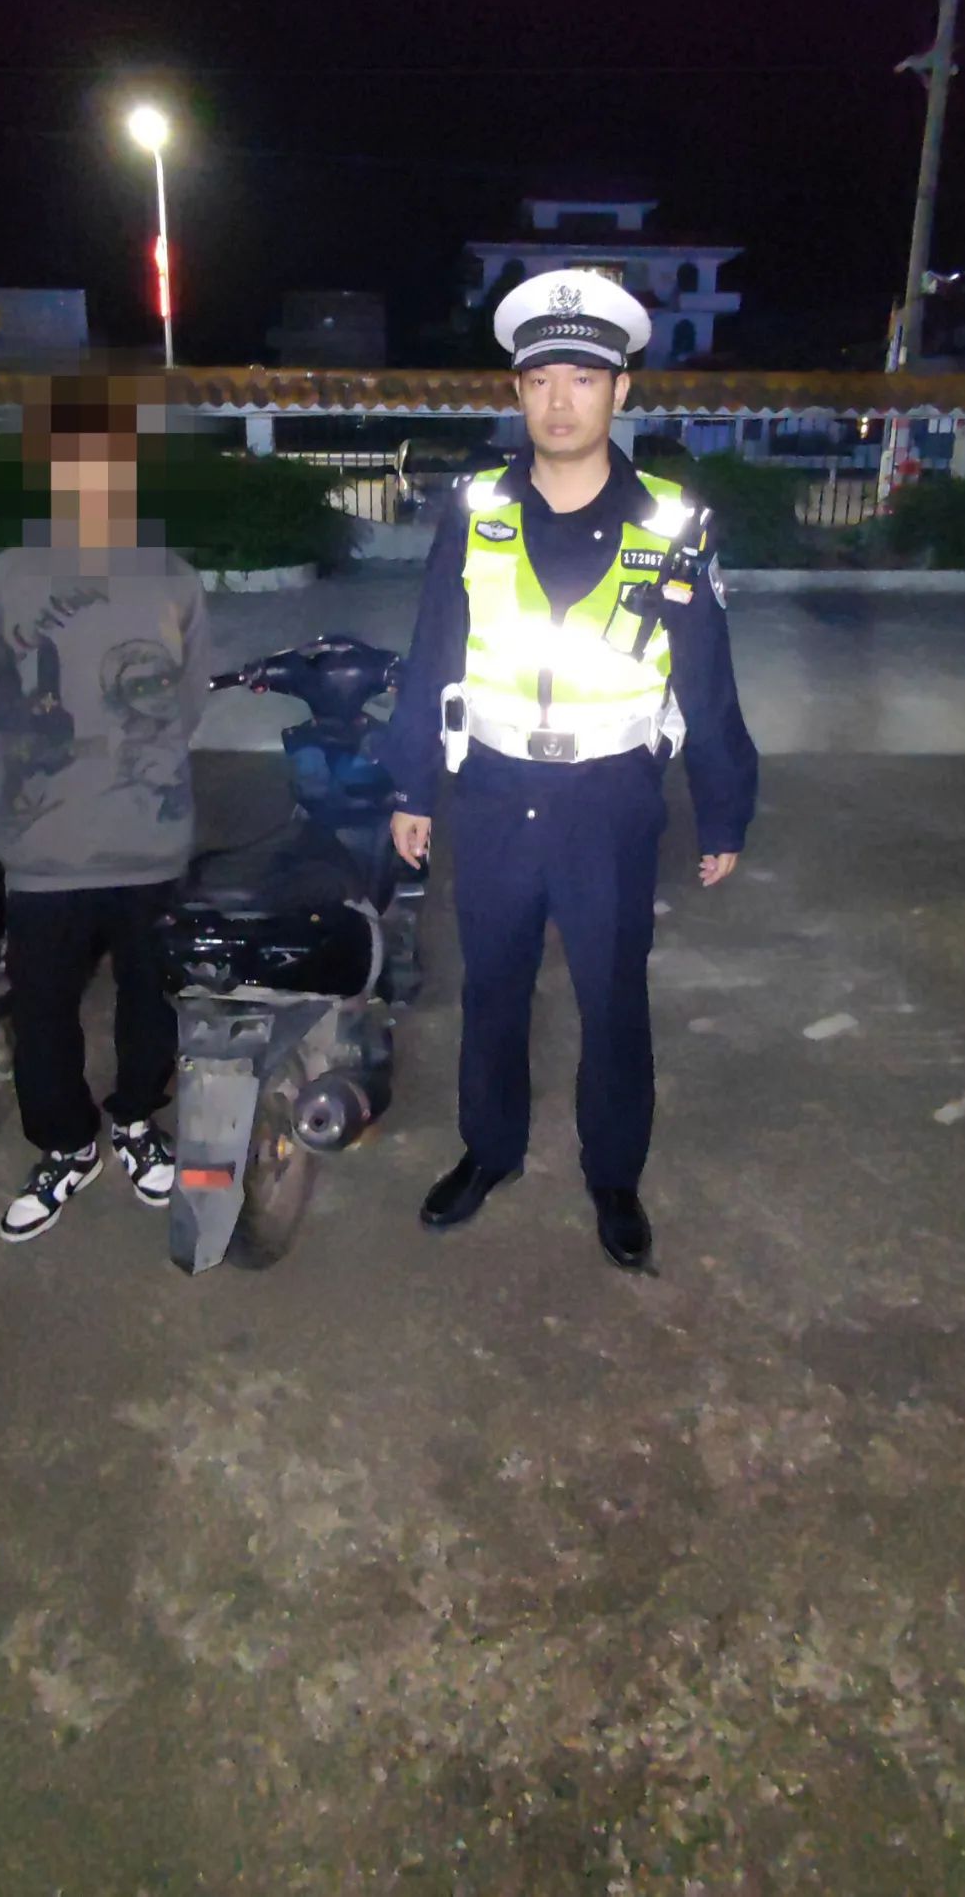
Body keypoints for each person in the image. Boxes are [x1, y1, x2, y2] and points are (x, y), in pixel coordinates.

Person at [384, 270, 758, 1269]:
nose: (560, 400)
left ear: (620, 391)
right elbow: (433, 649)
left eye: (584, 379)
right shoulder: (476, 509)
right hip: (495, 793)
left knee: (612, 999)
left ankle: (614, 1175)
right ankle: (489, 1151)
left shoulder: (673, 522)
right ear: (517, 390)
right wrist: (413, 786)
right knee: (492, 991)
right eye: (541, 378)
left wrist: (723, 809)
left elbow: (707, 676)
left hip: (610, 803)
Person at [0, 374, 210, 1243]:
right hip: (43, 846)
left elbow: (188, 701)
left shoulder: (173, 579)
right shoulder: (5, 579)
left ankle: (138, 1118)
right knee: (41, 1015)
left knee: (152, 1001)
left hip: (149, 840)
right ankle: (67, 1143)